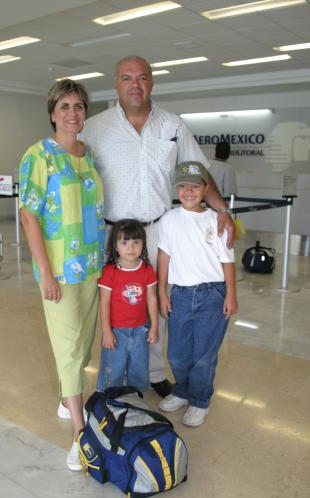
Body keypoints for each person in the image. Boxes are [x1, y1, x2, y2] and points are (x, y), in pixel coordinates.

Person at [81, 55, 235, 398]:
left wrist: (222, 209)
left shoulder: (173, 125)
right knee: (113, 301)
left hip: (158, 231)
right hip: (111, 233)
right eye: (126, 78)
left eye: (142, 77)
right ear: (116, 84)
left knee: (155, 302)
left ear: (152, 82)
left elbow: (197, 170)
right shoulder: (94, 127)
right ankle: (113, 373)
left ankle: (151, 373)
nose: (135, 85)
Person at [19, 79, 105, 471]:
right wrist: (46, 273)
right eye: (65, 106)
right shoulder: (39, 156)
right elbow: (29, 215)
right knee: (69, 348)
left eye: (79, 106)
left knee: (84, 343)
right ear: (52, 112)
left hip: (91, 265)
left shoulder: (89, 156)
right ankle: (79, 432)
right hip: (59, 272)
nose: (73, 113)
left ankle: (65, 394)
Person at [157, 161, 238, 427]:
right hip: (180, 294)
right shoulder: (169, 219)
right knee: (178, 353)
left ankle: (200, 400)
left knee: (203, 354)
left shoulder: (217, 220)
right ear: (176, 189)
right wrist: (162, 291)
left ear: (205, 189)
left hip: (212, 294)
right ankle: (182, 391)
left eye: (195, 185)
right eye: (182, 186)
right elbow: (164, 258)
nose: (188, 191)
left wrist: (230, 295)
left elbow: (227, 262)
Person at [96, 219, 159, 392]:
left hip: (140, 330)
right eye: (124, 242)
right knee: (113, 369)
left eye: (136, 242)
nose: (131, 248)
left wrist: (154, 327)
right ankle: (108, 398)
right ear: (115, 246)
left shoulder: (147, 269)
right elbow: (104, 302)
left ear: (143, 244)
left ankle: (135, 399)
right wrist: (107, 332)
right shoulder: (110, 272)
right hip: (116, 332)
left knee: (139, 370)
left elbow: (151, 298)